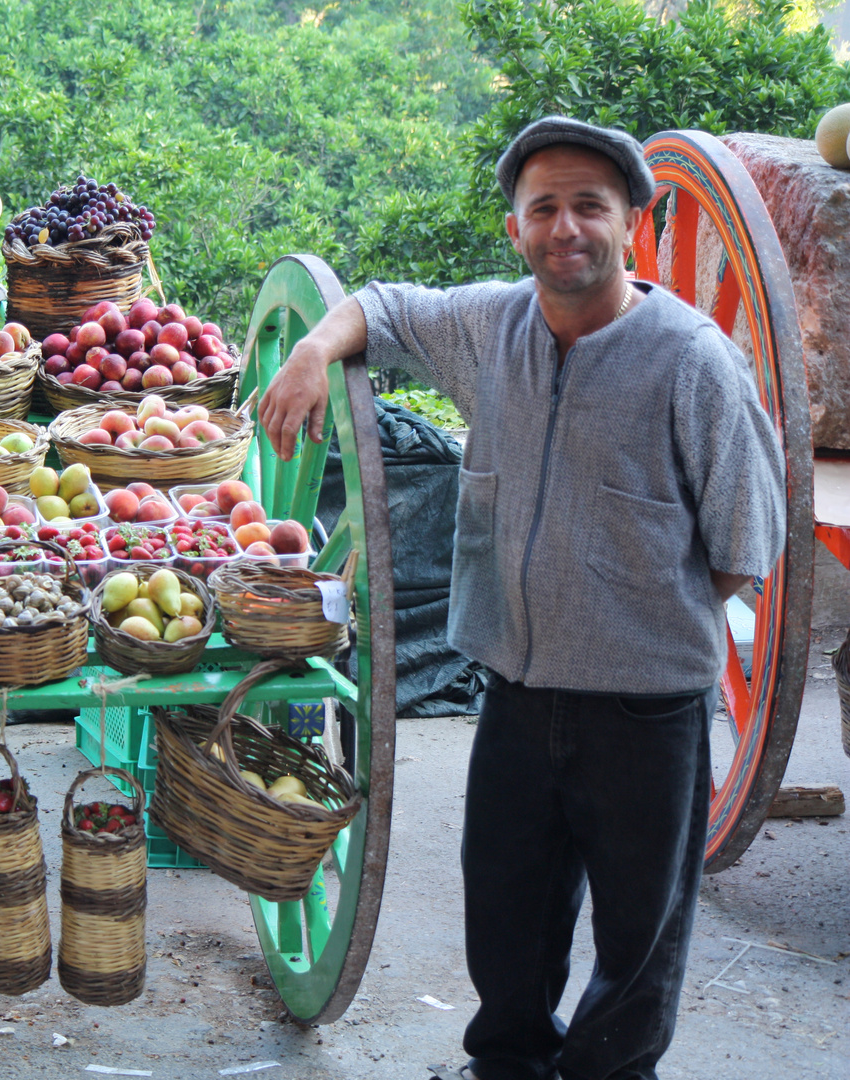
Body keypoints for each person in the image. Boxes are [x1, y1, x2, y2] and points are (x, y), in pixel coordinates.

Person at [258, 116, 787, 1080]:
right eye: (543, 208)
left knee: (637, 947)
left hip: (643, 707)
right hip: (514, 690)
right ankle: (505, 1067)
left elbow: (744, 546)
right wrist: (311, 353)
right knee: (505, 921)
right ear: (516, 229)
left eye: (591, 205)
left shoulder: (691, 360)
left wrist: (630, 617)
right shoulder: (492, 327)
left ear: (631, 220)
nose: (565, 228)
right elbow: (382, 305)